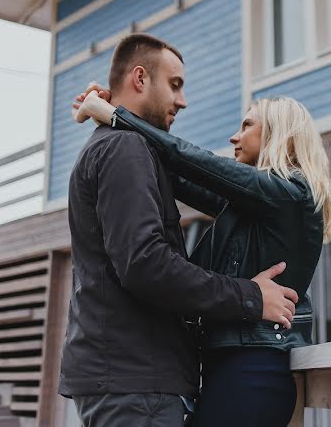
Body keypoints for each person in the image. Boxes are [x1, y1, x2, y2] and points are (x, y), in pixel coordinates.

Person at [59, 33, 300, 427]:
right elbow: (146, 264)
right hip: (137, 386)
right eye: (175, 85)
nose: (182, 101)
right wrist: (251, 297)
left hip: (133, 382)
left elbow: (206, 188)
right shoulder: (124, 149)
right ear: (140, 79)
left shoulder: (126, 146)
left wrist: (109, 110)